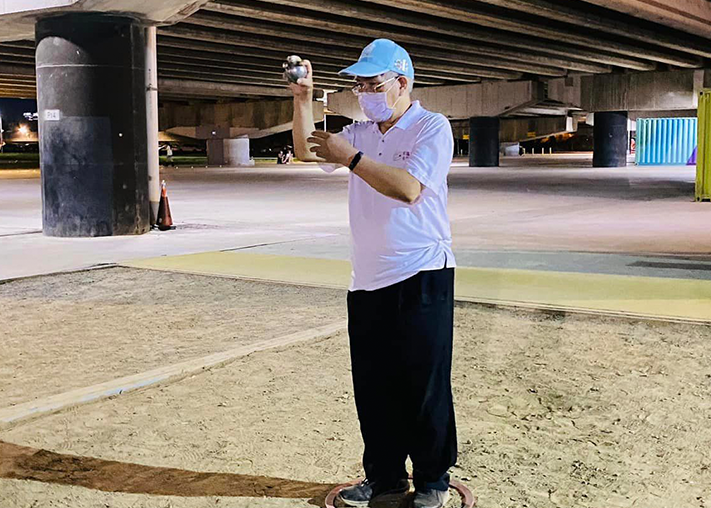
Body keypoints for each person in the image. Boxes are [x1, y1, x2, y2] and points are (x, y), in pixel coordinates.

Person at [289, 39, 457, 508]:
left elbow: (408, 189)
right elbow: (306, 150)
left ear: (401, 83)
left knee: (423, 384)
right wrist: (303, 99)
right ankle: (385, 478)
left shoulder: (431, 127)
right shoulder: (359, 133)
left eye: (372, 84)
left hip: (422, 272)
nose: (363, 93)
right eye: (359, 85)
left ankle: (432, 480)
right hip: (367, 280)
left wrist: (352, 159)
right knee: (374, 387)